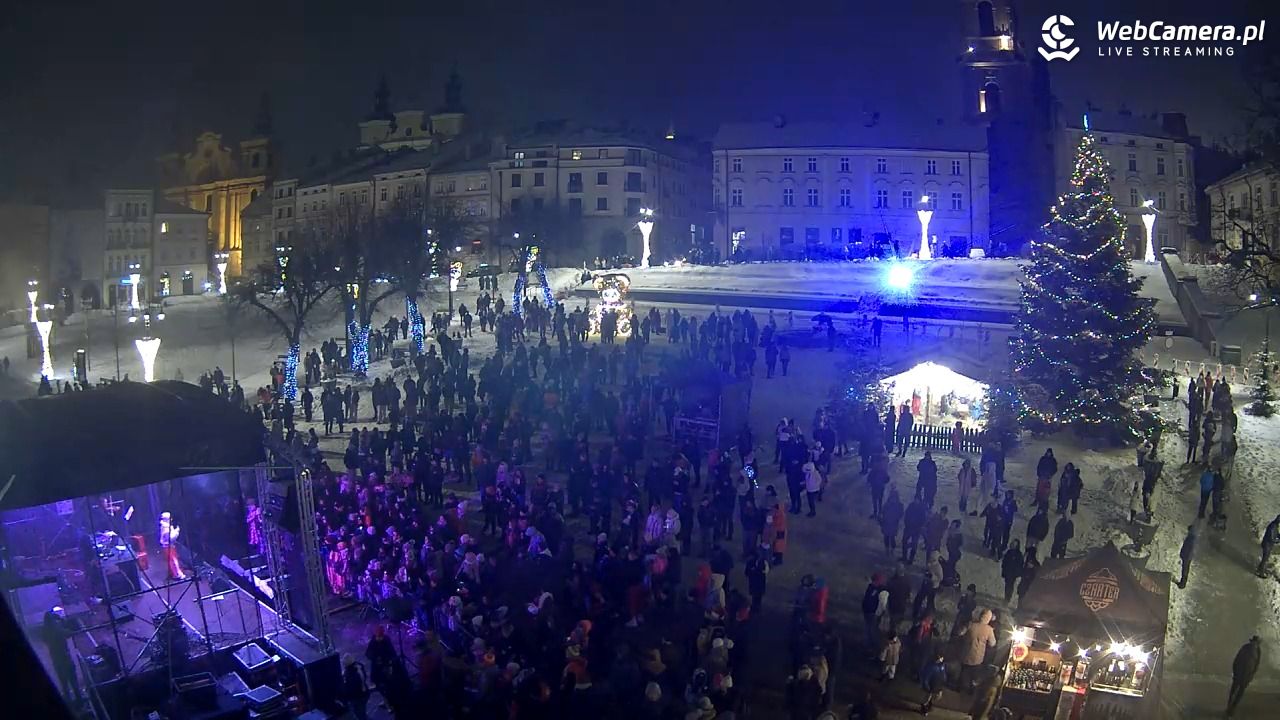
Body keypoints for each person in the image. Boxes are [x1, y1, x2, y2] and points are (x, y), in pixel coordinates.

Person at [958, 608, 996, 692]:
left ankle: (960, 689)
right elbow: (992, 643)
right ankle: (971, 691)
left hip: (966, 655)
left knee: (964, 674)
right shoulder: (989, 629)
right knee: (974, 676)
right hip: (978, 658)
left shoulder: (970, 624)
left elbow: (960, 633)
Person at [1226, 635, 1262, 717]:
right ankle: (1229, 707)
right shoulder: (1246, 648)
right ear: (1252, 641)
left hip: (1246, 675)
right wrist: (1235, 671)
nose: (1255, 644)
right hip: (1239, 673)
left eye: (1256, 642)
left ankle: (1232, 708)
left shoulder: (1258, 650)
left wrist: (1251, 675)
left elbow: (1256, 665)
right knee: (1234, 691)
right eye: (1255, 642)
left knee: (1239, 692)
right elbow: (1236, 660)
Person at [341, 654, 371, 720]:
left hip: (358, 697)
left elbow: (350, 688)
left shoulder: (349, 674)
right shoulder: (359, 666)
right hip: (364, 693)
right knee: (361, 712)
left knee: (360, 714)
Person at [1177, 523, 1198, 588]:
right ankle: (1182, 583)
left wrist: (1185, 556)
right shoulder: (1192, 537)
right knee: (1185, 570)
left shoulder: (1191, 538)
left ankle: (1182, 584)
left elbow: (1189, 548)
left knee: (1185, 570)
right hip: (1187, 557)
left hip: (1187, 557)